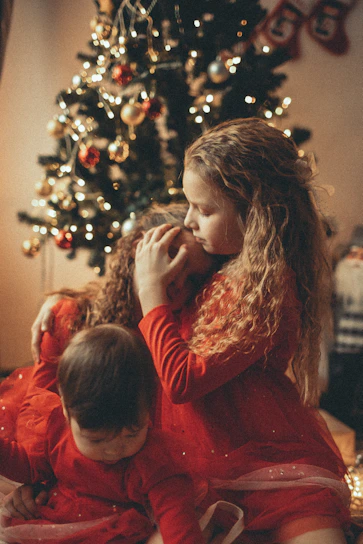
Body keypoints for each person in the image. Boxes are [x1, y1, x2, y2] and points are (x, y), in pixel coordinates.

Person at [133, 118, 351, 543]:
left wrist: (150, 291)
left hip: (271, 462)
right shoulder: (217, 263)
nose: (190, 221)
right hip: (199, 462)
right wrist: (62, 301)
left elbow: (182, 380)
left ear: (255, 211)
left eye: (206, 209)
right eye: (189, 205)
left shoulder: (267, 284)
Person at [0, 203, 216, 515]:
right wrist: (43, 479)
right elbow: (42, 410)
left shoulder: (187, 334)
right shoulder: (72, 319)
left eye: (193, 278)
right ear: (137, 254)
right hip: (74, 459)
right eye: (170, 262)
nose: (179, 284)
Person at [0, 324, 210, 543]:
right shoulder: (55, 432)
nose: (114, 449)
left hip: (120, 532)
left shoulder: (154, 459)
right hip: (58, 520)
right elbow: (28, 468)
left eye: (131, 434)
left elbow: (178, 521)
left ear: (149, 409)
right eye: (96, 439)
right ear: (65, 409)